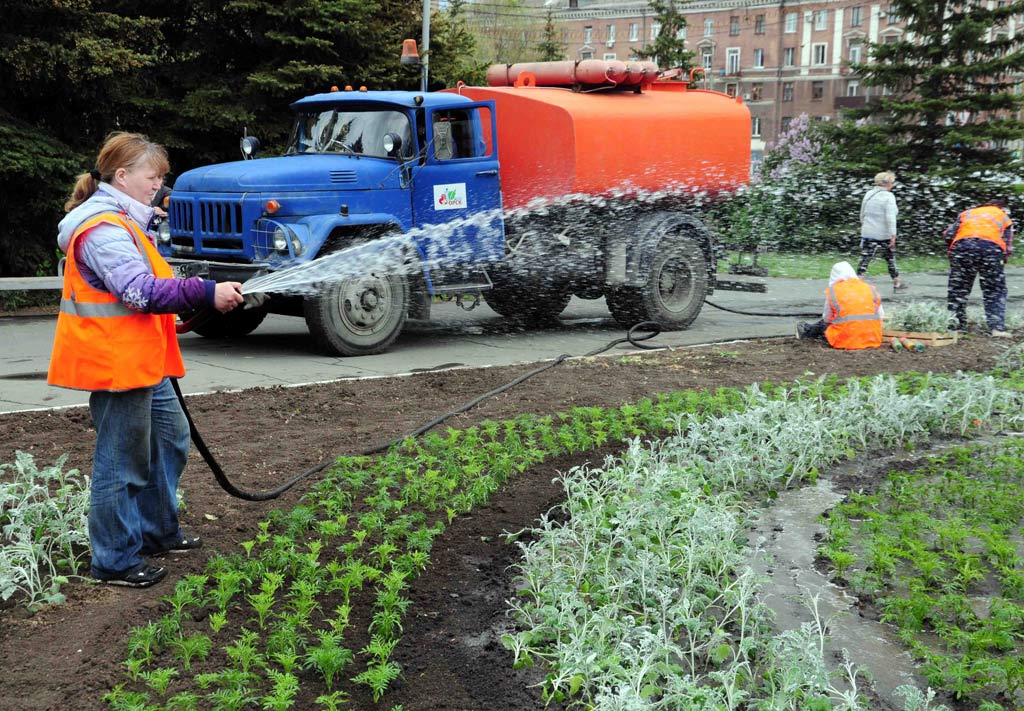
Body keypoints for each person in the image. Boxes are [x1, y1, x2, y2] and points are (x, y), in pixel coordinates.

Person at [47, 132, 245, 588]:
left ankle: (158, 531)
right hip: (118, 365)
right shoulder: (103, 228)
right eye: (152, 176)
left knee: (171, 438)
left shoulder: (129, 220)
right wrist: (204, 293)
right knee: (122, 459)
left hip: (142, 359)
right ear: (122, 175)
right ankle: (114, 560)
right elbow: (137, 291)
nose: (160, 185)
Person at [945, 198, 1015, 338]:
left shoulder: (968, 213)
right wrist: (1001, 260)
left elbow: (948, 234)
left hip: (963, 247)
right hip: (990, 249)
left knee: (958, 288)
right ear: (1001, 207)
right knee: (994, 289)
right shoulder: (1003, 217)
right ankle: (997, 328)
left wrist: (953, 253)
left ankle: (956, 327)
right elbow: (1008, 246)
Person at [796, 261, 883, 349]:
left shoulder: (834, 291)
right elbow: (881, 315)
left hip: (845, 340)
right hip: (873, 338)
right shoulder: (869, 288)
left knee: (824, 324)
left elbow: (826, 318)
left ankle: (807, 331)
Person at [857, 171, 907, 291]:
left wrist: (866, 226)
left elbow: (862, 214)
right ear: (888, 183)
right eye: (892, 183)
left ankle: (858, 281)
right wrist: (893, 235)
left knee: (865, 258)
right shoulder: (888, 197)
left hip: (868, 232)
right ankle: (896, 282)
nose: (893, 185)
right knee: (890, 258)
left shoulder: (869, 194)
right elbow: (890, 218)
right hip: (884, 234)